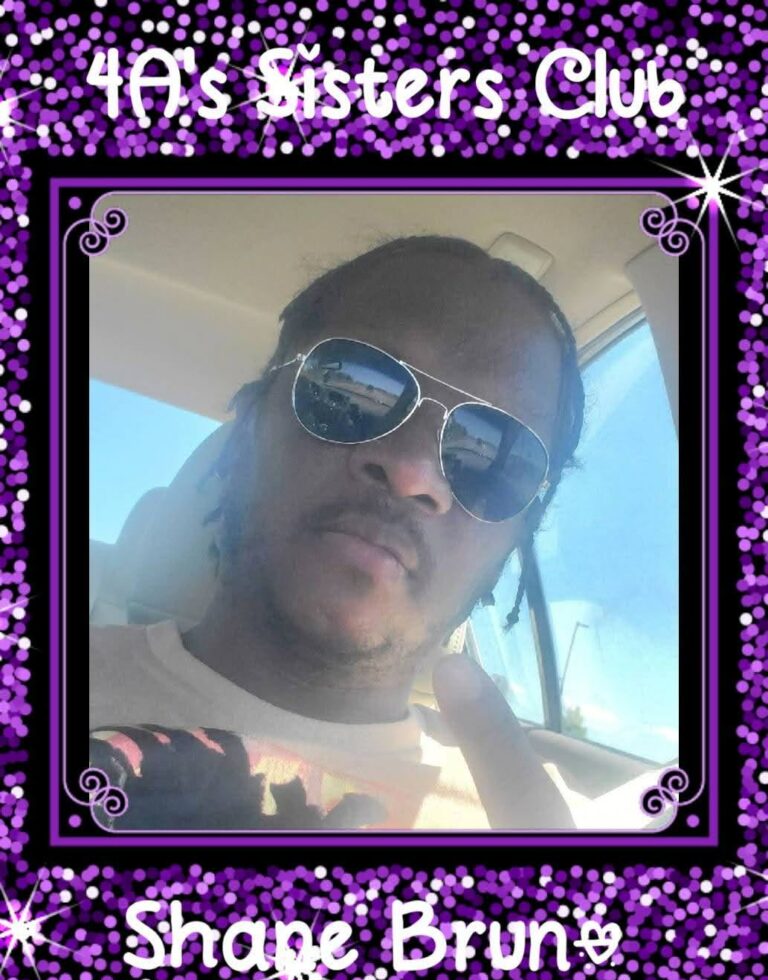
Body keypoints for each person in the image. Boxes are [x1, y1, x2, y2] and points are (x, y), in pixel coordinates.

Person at [89, 235, 585, 831]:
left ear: (514, 542)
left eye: (495, 458)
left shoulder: (554, 823)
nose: (412, 471)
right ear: (252, 421)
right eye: (354, 385)